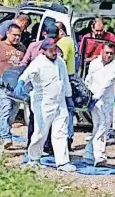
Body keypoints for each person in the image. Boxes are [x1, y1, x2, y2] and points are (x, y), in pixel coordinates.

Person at [14, 38, 76, 172]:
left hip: (60, 103)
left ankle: (62, 162)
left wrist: (69, 97)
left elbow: (65, 81)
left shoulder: (60, 62)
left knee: (61, 132)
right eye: (51, 50)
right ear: (44, 51)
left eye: (55, 49)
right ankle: (34, 158)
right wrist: (21, 83)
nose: (54, 52)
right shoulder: (38, 63)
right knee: (40, 132)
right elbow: (27, 75)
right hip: (43, 104)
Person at [21, 24, 60, 154]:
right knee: (36, 122)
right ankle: (31, 148)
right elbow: (25, 63)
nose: (52, 38)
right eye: (50, 35)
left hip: (51, 92)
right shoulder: (34, 47)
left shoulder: (58, 51)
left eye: (55, 36)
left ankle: (48, 147)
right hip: (35, 89)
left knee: (51, 123)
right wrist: (22, 82)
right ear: (44, 33)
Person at [0, 24, 26, 149]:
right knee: (5, 110)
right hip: (3, 86)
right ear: (8, 34)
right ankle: (5, 137)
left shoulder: (22, 48)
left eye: (19, 35)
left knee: (13, 113)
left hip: (17, 88)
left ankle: (2, 132)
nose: (17, 38)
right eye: (14, 35)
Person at [83, 42, 115, 167]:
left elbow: (107, 83)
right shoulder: (94, 64)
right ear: (101, 51)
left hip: (106, 102)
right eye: (106, 52)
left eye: (111, 54)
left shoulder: (114, 67)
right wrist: (88, 96)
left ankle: (88, 154)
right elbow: (88, 80)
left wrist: (96, 98)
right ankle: (100, 157)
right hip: (95, 101)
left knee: (100, 128)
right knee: (101, 127)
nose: (108, 55)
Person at [55, 21, 76, 151]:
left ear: (61, 32)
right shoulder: (69, 41)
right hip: (69, 77)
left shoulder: (64, 42)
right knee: (68, 110)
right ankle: (68, 138)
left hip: (64, 79)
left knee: (64, 111)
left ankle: (66, 139)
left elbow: (61, 60)